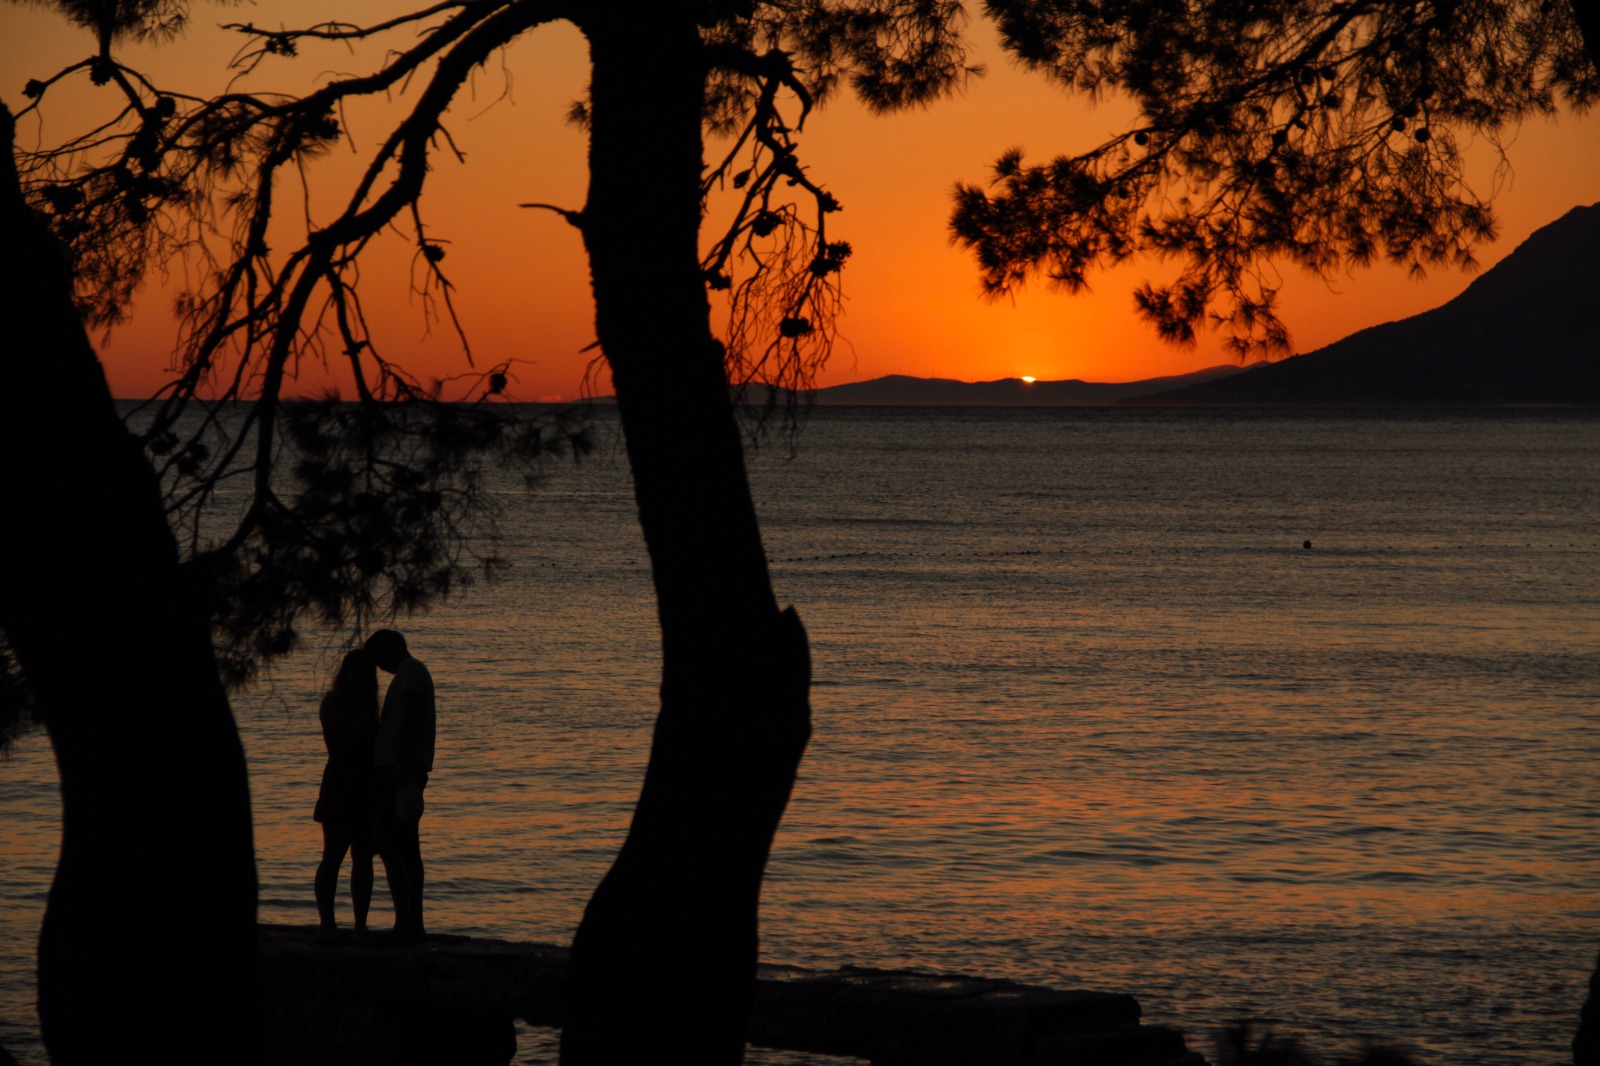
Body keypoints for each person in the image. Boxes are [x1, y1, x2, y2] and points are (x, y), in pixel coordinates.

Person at [365, 628, 435, 944]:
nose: (379, 666)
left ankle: (408, 923)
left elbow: (408, 719)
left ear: (393, 647)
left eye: (379, 656)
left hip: (399, 771)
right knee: (400, 848)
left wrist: (399, 766)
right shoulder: (407, 674)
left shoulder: (410, 672)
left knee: (398, 848)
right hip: (397, 769)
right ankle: (407, 922)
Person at [313, 648, 380, 942]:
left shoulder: (368, 703)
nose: (363, 678)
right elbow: (342, 740)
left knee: (363, 856)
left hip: (366, 785)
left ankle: (360, 924)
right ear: (346, 673)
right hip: (340, 783)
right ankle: (327, 922)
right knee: (334, 855)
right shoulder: (334, 701)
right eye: (358, 672)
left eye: (368, 674)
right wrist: (367, 716)